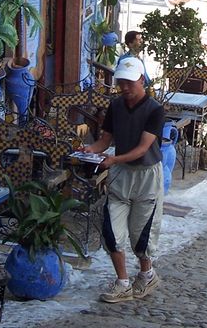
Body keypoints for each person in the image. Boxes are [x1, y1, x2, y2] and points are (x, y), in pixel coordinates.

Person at [82, 56, 164, 303]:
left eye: (129, 82)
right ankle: (123, 282)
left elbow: (142, 148)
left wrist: (113, 160)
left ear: (141, 80)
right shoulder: (116, 106)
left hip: (146, 174)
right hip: (121, 175)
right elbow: (105, 141)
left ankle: (147, 273)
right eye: (121, 83)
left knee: (141, 232)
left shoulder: (155, 110)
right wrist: (89, 150)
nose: (125, 88)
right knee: (112, 231)